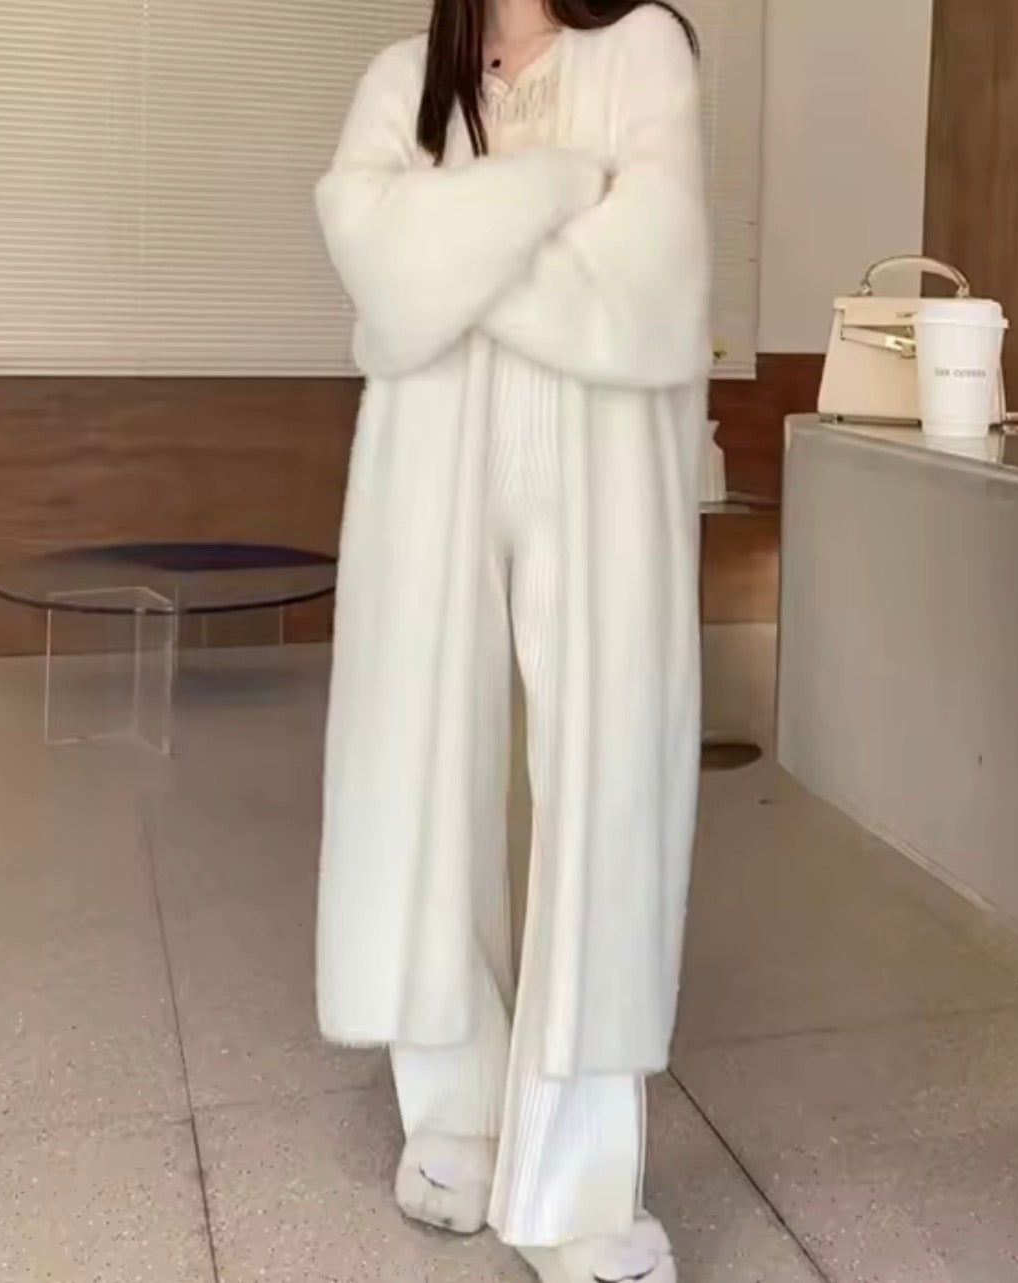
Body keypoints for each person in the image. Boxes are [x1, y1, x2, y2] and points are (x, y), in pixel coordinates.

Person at [314, 0, 708, 1278]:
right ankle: (457, 1117)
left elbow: (651, 273)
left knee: (602, 796)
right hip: (424, 463)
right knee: (416, 779)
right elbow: (370, 257)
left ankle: (578, 1190)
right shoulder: (400, 79)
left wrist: (446, 265)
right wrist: (550, 188)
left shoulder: (642, 48)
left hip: (600, 462)